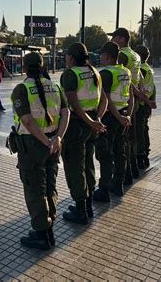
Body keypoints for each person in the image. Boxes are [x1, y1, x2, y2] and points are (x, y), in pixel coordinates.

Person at [11, 52, 70, 250]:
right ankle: (49, 225)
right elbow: (65, 113)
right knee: (50, 185)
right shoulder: (55, 86)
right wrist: (58, 138)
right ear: (43, 66)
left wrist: (45, 141)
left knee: (35, 189)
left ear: (25, 68)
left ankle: (42, 234)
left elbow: (27, 121)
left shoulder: (22, 89)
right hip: (54, 144)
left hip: (33, 146)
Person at [60, 43, 107, 225]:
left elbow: (75, 106)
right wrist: (98, 120)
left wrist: (91, 122)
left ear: (71, 57)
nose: (65, 59)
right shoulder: (95, 71)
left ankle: (81, 210)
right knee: (88, 163)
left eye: (67, 56)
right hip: (92, 125)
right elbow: (104, 99)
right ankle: (87, 206)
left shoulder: (70, 75)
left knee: (75, 167)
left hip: (77, 127)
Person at [93, 42, 132, 202]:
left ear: (107, 56)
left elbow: (106, 100)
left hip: (111, 117)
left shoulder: (106, 73)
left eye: (101, 54)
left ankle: (103, 189)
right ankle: (118, 185)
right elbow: (131, 96)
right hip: (123, 115)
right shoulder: (126, 71)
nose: (100, 57)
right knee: (120, 151)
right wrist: (127, 116)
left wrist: (118, 117)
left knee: (106, 153)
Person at [109, 27, 140, 184]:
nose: (112, 40)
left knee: (120, 144)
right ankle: (132, 170)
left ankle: (123, 175)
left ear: (121, 39)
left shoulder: (122, 55)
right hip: (131, 102)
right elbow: (137, 77)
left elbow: (123, 78)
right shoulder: (135, 55)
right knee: (130, 139)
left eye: (114, 37)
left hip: (122, 102)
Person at [133, 45, 157, 169]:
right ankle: (145, 154)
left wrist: (147, 101)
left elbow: (137, 88)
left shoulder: (140, 70)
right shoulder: (148, 68)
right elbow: (153, 87)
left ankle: (140, 156)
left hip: (142, 104)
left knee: (139, 132)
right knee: (144, 130)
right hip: (146, 104)